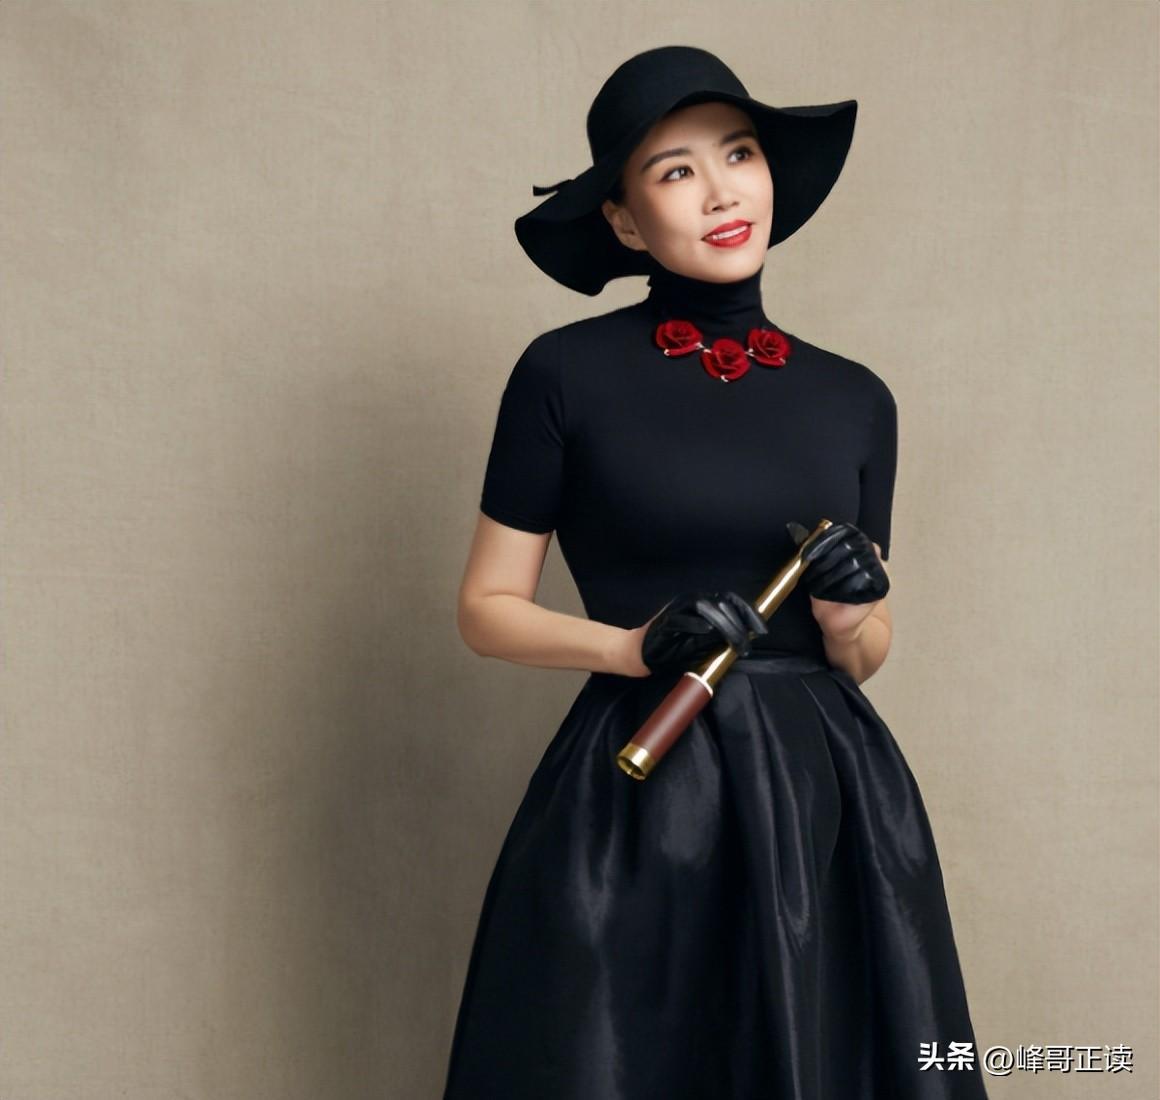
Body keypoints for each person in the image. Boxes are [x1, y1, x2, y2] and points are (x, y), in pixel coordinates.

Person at [443, 45, 990, 1099]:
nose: (722, 190)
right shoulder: (562, 374)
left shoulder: (856, 399)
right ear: (621, 219)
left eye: (738, 154)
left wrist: (849, 614)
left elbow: (863, 657)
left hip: (828, 801)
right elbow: (484, 608)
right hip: (643, 791)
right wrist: (629, 645)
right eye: (675, 170)